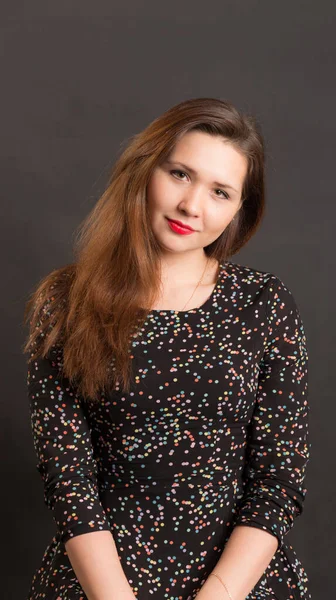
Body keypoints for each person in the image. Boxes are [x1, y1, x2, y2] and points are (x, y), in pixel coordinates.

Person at [23, 97, 312, 600]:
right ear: (144, 170)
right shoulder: (66, 302)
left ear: (240, 210)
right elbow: (68, 478)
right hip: (96, 585)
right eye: (180, 174)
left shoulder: (263, 304)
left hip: (241, 586)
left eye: (220, 192)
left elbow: (278, 479)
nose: (192, 206)